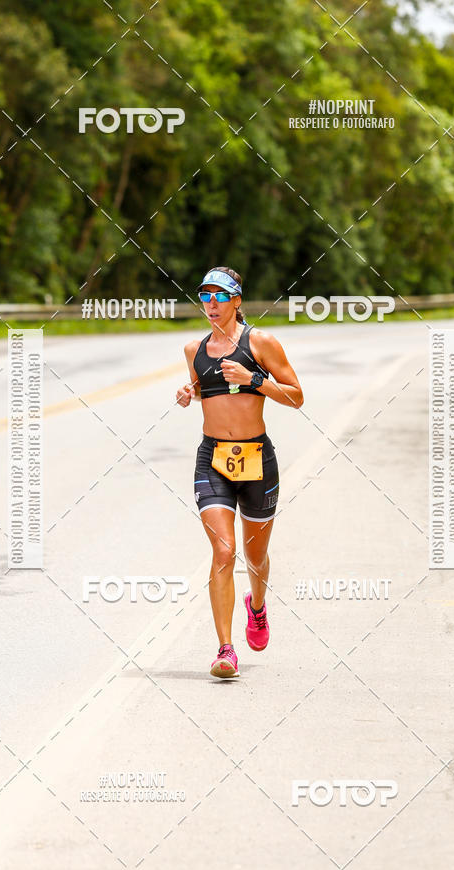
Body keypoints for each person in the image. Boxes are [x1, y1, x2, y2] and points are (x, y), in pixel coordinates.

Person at [176, 267, 303, 678]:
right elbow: (203, 391)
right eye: (205, 296)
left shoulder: (260, 343)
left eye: (219, 296)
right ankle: (225, 649)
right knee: (224, 550)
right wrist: (187, 394)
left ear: (236, 301)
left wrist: (255, 379)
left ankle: (258, 606)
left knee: (255, 556)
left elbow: (297, 397)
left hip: (256, 460)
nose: (210, 303)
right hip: (212, 458)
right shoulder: (193, 349)